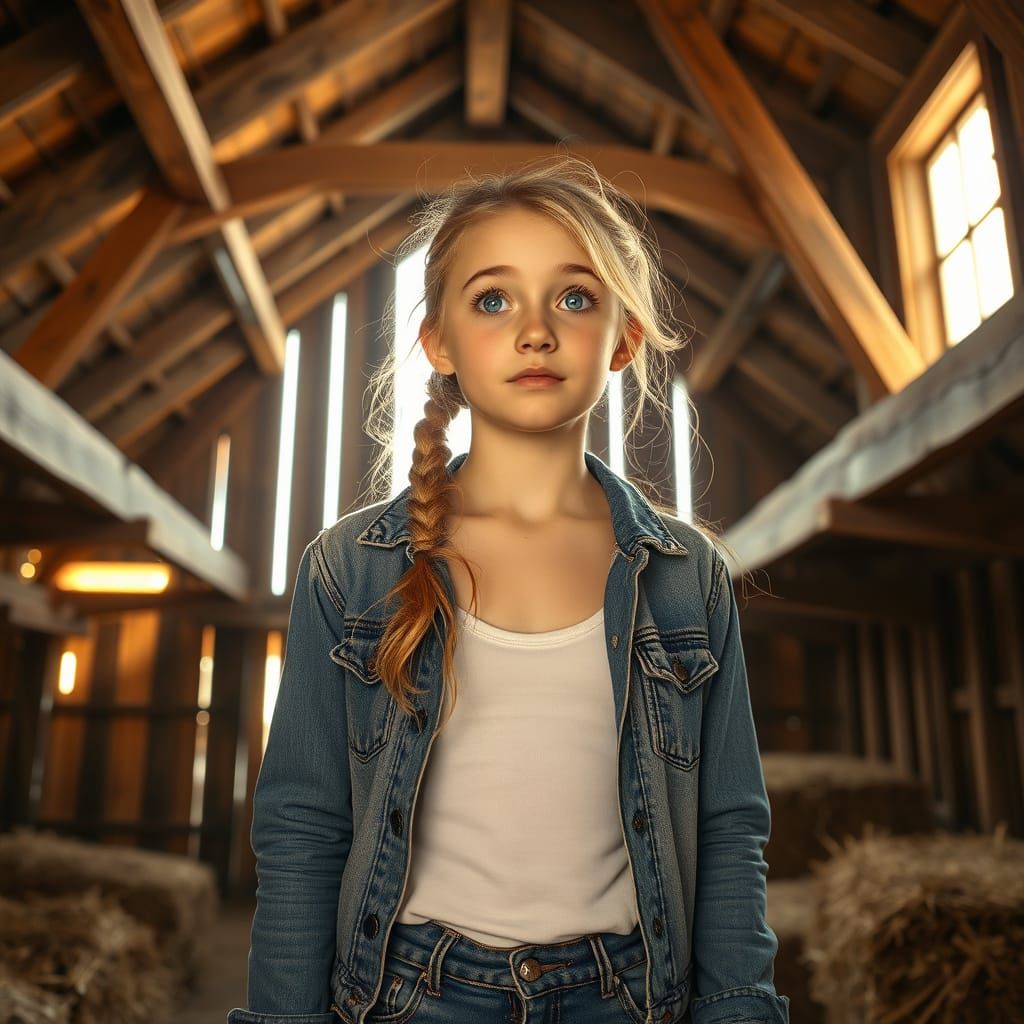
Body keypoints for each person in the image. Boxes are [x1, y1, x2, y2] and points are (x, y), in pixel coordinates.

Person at [227, 154, 790, 1024]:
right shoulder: (350, 568)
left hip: (630, 997)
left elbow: (727, 829)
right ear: (439, 340)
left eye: (574, 297)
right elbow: (302, 828)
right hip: (410, 996)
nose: (536, 331)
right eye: (494, 298)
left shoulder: (687, 576)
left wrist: (741, 1008)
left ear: (624, 337)